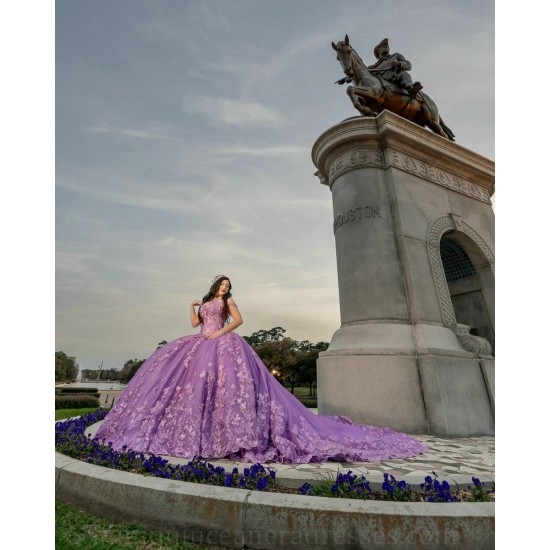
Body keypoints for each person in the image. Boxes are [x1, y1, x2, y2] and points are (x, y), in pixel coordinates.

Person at [94, 275, 427, 463]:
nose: (224, 289)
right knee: (183, 385)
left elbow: (239, 322)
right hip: (199, 341)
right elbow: (196, 323)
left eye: (227, 286)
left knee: (227, 387)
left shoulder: (228, 305)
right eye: (221, 285)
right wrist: (192, 308)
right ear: (214, 286)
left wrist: (219, 334)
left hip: (219, 342)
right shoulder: (206, 301)